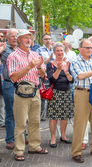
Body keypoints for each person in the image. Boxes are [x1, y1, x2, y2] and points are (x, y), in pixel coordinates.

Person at [7, 29, 48, 161]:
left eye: (29, 38)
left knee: (35, 122)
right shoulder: (13, 56)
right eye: (25, 38)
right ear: (19, 40)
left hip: (35, 91)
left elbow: (42, 75)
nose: (28, 40)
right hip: (21, 92)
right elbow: (13, 77)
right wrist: (30, 66)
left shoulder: (35, 54)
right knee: (20, 123)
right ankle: (19, 150)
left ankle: (34, 146)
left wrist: (39, 67)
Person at [46, 42, 74, 148]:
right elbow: (52, 79)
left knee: (65, 116)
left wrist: (66, 71)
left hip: (66, 92)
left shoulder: (68, 63)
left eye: (61, 50)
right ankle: (53, 137)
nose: (60, 52)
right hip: (55, 92)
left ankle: (63, 136)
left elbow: (71, 80)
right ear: (54, 52)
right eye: (57, 50)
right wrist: (58, 69)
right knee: (53, 116)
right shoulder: (50, 64)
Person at [0, 28, 22, 149]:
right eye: (12, 36)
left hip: (22, 85)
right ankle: (10, 139)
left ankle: (22, 136)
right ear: (7, 37)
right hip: (9, 84)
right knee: (10, 113)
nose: (14, 38)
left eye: (16, 36)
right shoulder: (4, 49)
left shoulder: (21, 49)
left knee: (22, 113)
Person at [36, 33, 54, 121]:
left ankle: (49, 114)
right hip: (44, 76)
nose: (48, 40)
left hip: (53, 76)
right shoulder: (39, 50)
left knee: (52, 95)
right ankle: (40, 115)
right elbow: (39, 64)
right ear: (42, 40)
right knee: (43, 95)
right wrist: (49, 59)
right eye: (46, 39)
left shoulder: (54, 50)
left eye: (49, 39)